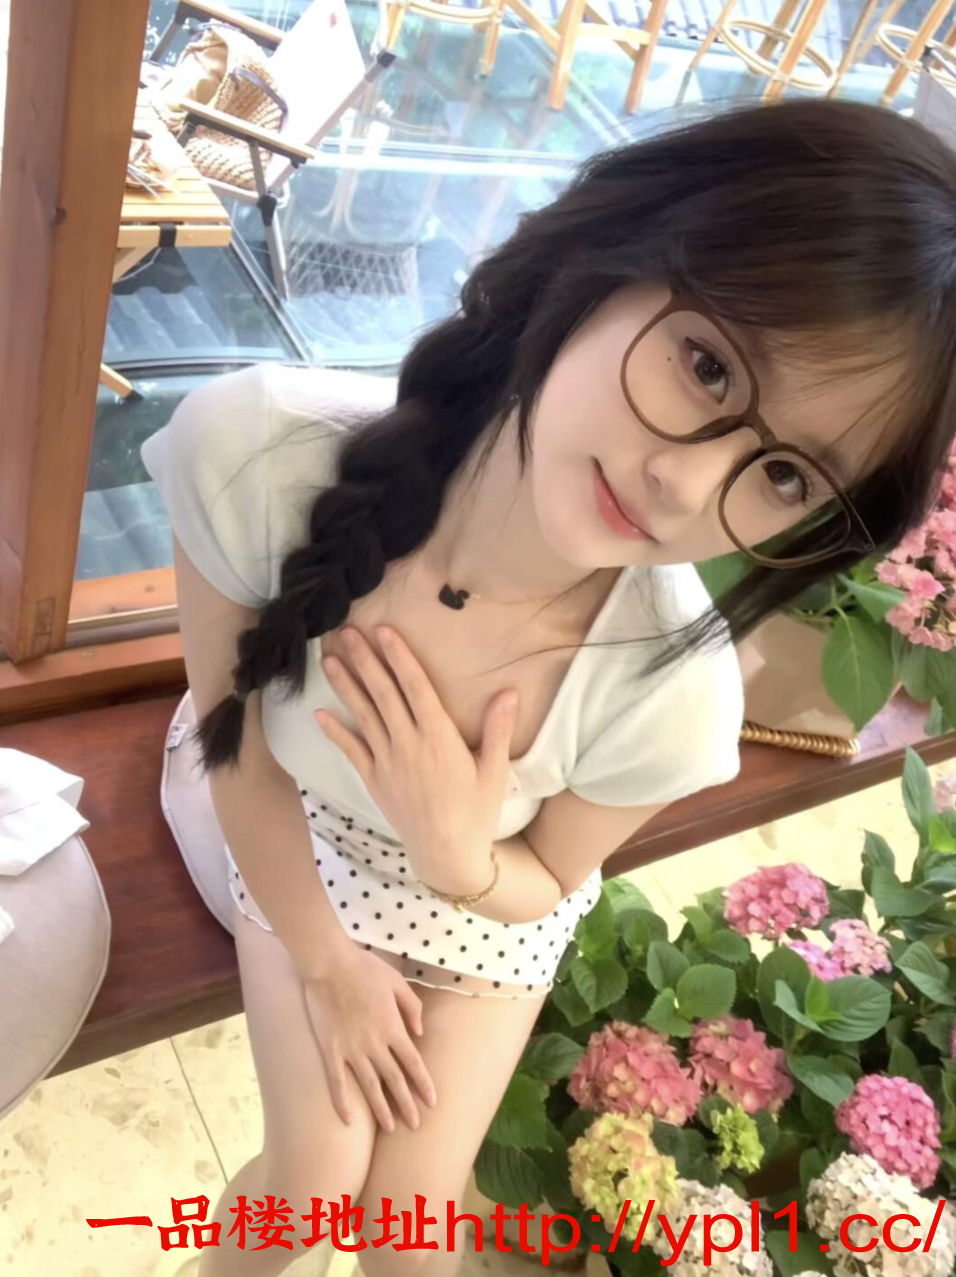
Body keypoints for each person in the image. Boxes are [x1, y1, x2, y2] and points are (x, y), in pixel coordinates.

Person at [141, 97, 956, 1277]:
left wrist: (457, 850)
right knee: (313, 1180)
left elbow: (543, 878)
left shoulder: (672, 695)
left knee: (407, 1236)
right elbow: (240, 748)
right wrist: (328, 961)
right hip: (292, 831)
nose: (687, 486)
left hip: (483, 899)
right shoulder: (259, 452)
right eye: (706, 364)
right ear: (609, 255)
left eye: (782, 474)